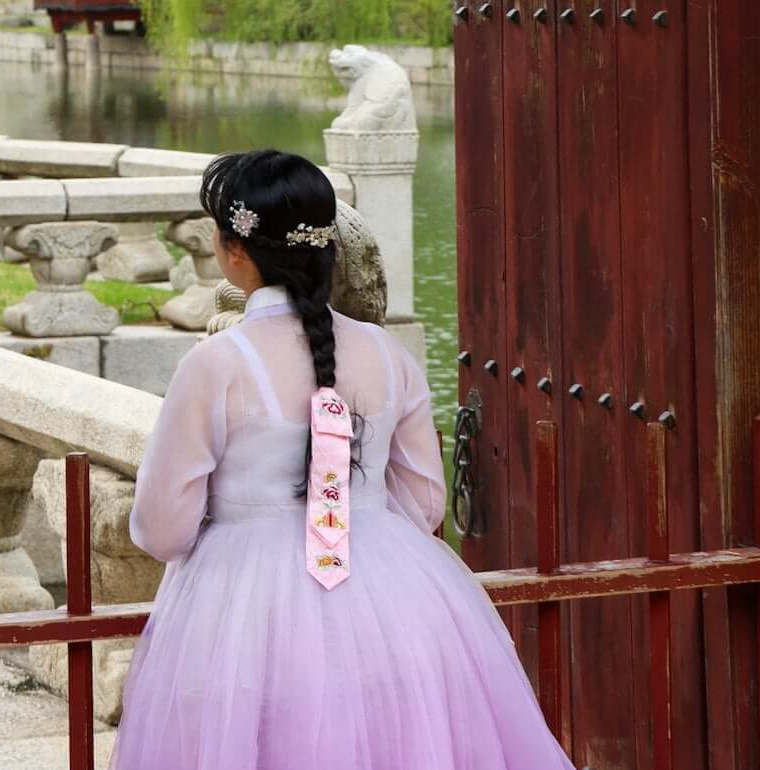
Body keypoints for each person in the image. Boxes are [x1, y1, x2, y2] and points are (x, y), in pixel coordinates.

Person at [114, 149, 576, 770]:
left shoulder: (214, 365)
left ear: (232, 252)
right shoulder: (388, 355)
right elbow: (422, 503)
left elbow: (162, 528)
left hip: (243, 606)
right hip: (388, 592)